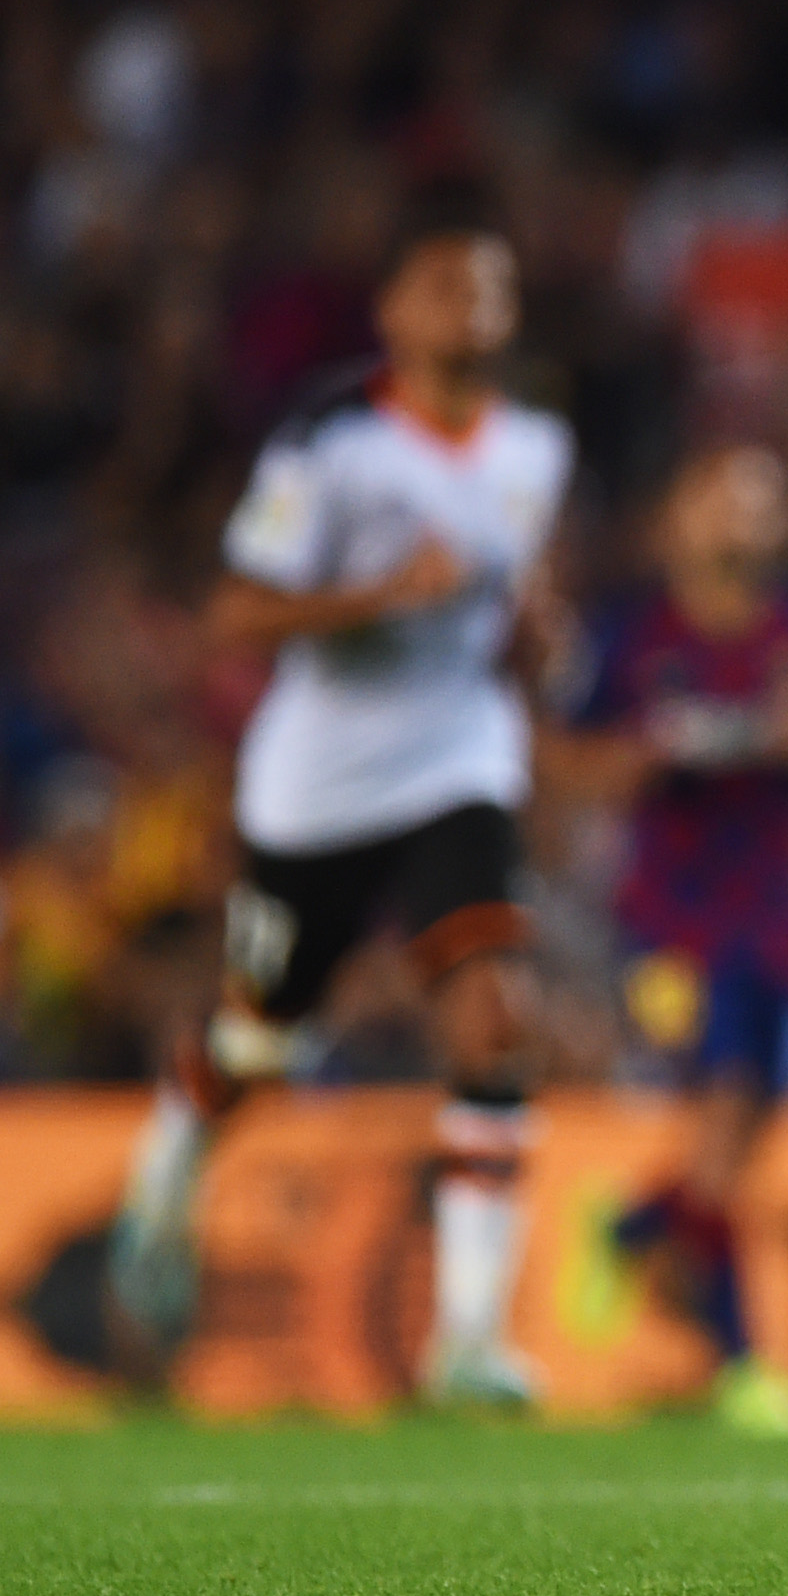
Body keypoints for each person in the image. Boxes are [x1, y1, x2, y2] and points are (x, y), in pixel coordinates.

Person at [106, 193, 573, 1404]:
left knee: (493, 1017)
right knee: (262, 1037)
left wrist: (536, 637)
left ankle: (468, 1340)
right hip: (316, 786)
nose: (471, 306)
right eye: (446, 285)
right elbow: (232, 613)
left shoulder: (536, 450)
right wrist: (379, 597)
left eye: (491, 287)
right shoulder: (329, 443)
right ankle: (169, 1164)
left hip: (458, 762)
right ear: (396, 312)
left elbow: (522, 630)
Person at [554, 445, 788, 1435]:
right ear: (682, 517)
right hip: (671, 922)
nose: (747, 515)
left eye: (764, 499)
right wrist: (644, 754)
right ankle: (743, 1366)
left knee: (735, 1147)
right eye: (727, 496)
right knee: (721, 1117)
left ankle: (630, 1225)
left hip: (775, 917)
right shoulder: (637, 634)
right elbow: (568, 762)